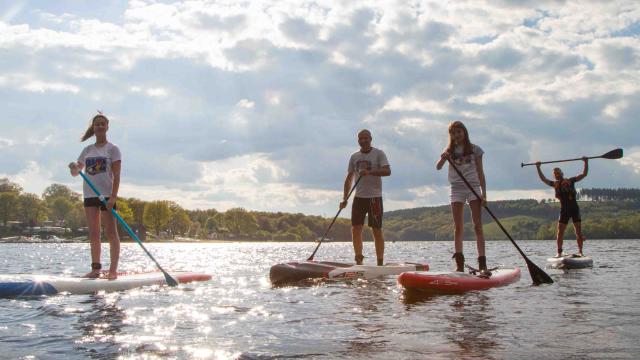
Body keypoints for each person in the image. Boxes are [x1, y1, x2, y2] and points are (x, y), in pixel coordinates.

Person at [69, 113, 122, 280]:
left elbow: (117, 175)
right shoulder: (87, 150)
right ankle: (96, 269)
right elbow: (75, 173)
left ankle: (113, 270)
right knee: (93, 233)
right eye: (97, 124)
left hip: (106, 195)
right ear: (93, 128)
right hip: (90, 195)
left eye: (102, 124)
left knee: (111, 233)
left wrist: (113, 197)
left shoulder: (113, 149)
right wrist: (73, 167)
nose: (99, 126)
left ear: (107, 127)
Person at [436, 121, 489, 275]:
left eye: (459, 132)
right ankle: (459, 264)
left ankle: (482, 263)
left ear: (464, 132)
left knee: (477, 226)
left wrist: (484, 194)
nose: (456, 135)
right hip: (456, 188)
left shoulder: (475, 150)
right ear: (450, 136)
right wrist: (443, 158)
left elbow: (481, 173)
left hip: (473, 187)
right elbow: (438, 167)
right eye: (453, 133)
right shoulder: (449, 150)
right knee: (458, 227)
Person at [339, 129, 391, 266]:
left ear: (370, 138)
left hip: (374, 197)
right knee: (356, 228)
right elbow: (349, 178)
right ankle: (359, 260)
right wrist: (345, 198)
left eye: (365, 138)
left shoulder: (379, 154)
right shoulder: (354, 156)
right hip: (359, 197)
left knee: (376, 229)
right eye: (360, 138)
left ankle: (380, 263)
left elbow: (387, 171)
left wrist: (369, 172)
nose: (363, 141)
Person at [535, 158, 588, 257]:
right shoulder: (555, 184)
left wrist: (586, 162)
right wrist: (538, 167)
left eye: (557, 172)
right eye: (554, 173)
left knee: (578, 232)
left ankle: (580, 252)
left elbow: (584, 174)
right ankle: (559, 252)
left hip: (574, 209)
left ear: (562, 173)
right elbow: (543, 179)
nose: (556, 174)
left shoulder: (571, 181)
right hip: (564, 210)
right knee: (560, 232)